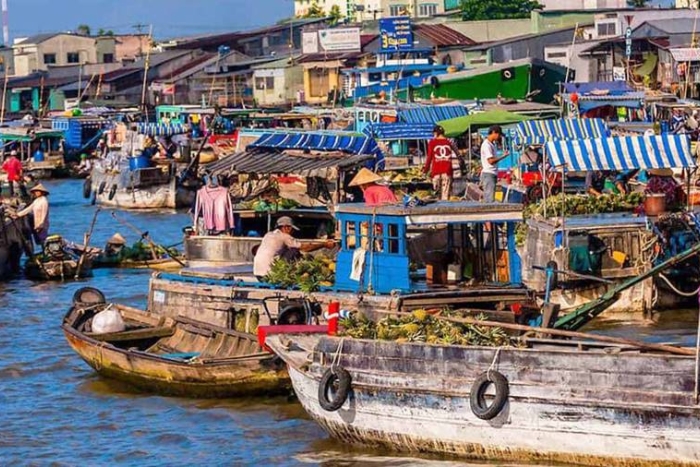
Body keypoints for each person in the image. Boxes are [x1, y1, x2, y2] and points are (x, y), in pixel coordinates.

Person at [253, 217, 336, 280]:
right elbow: (305, 248)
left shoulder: (268, 235)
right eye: (292, 229)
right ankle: (295, 274)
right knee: (294, 251)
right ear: (286, 227)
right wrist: (324, 244)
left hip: (257, 274)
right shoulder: (284, 236)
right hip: (271, 275)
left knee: (289, 250)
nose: (293, 232)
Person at [423, 125, 456, 201]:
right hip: (447, 173)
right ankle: (445, 211)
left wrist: (425, 170)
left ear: (436, 133)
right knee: (445, 196)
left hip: (436, 173)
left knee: (436, 197)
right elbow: (458, 155)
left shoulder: (432, 142)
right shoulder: (449, 142)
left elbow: (429, 158)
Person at [480, 125, 509, 203]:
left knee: (490, 197)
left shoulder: (492, 144)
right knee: (489, 199)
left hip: (492, 173)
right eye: (498, 134)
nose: (499, 137)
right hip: (489, 174)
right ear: (493, 132)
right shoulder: (486, 145)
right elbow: (491, 161)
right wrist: (503, 156)